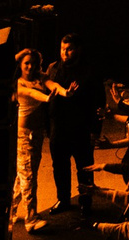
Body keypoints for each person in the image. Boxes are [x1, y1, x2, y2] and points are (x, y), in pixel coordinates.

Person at [45, 33, 98, 212]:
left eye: (69, 49)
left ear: (78, 50)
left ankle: (85, 200)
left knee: (84, 166)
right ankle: (63, 199)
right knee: (59, 166)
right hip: (58, 126)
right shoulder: (53, 68)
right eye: (62, 49)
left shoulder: (88, 71)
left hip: (81, 127)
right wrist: (47, 125)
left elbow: (97, 101)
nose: (65, 53)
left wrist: (95, 130)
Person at [12, 47, 51, 225]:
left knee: (24, 174)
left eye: (33, 63)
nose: (30, 67)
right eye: (26, 63)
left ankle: (9, 210)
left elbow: (51, 84)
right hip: (24, 136)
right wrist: (48, 98)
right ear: (20, 64)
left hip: (36, 134)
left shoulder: (39, 78)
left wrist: (65, 92)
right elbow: (32, 93)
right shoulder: (17, 83)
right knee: (28, 175)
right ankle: (31, 217)